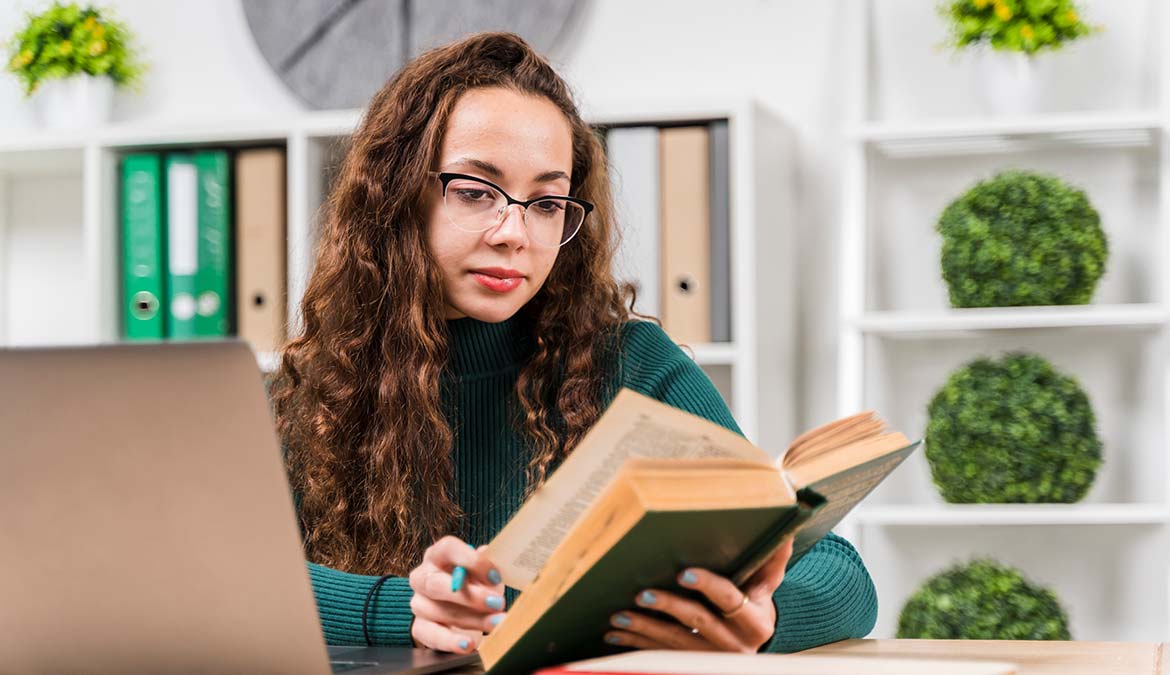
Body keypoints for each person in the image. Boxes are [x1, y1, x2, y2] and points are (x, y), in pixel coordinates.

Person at [270, 30, 877, 656]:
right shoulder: (311, 389)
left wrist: (767, 617)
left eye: (546, 203)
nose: (514, 233)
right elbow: (225, 580)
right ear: (396, 196)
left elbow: (839, 574)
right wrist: (405, 610)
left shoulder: (632, 366)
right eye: (476, 192)